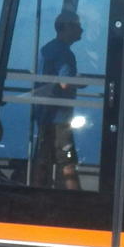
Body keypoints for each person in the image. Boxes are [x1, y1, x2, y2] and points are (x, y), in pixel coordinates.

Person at [33, 10, 83, 190]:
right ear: (67, 27)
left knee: (44, 160)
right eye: (78, 26)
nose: (82, 30)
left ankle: (36, 197)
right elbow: (64, 83)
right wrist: (81, 82)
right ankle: (76, 203)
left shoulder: (47, 48)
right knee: (68, 161)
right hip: (59, 117)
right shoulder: (65, 53)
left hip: (44, 113)